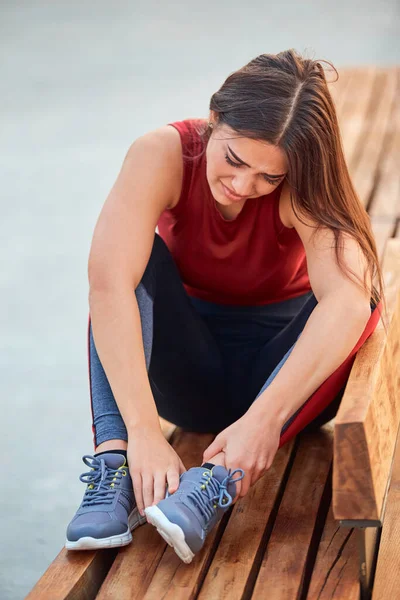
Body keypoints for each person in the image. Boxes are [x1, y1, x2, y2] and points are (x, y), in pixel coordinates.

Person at [65, 49, 384, 563]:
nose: (242, 186)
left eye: (268, 178)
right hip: (189, 378)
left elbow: (347, 304)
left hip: (282, 384)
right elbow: (108, 288)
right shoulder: (161, 154)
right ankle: (115, 467)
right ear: (214, 119)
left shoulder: (304, 182)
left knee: (359, 290)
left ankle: (213, 484)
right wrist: (145, 431)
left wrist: (263, 419)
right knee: (119, 270)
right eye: (234, 160)